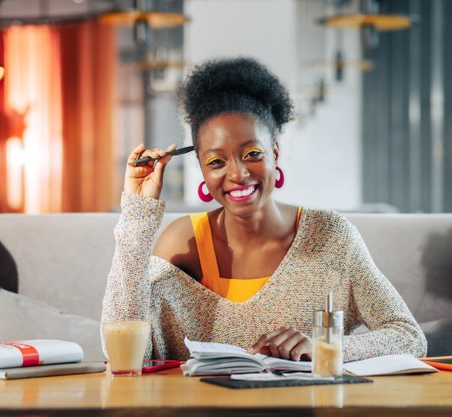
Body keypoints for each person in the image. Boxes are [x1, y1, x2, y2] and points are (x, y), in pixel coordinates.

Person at [102, 57, 427, 362]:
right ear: (201, 170)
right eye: (216, 161)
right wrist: (137, 216)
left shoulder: (330, 235)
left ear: (275, 153)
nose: (237, 174)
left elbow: (409, 337)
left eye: (252, 153)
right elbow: (125, 355)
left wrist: (324, 348)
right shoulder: (181, 243)